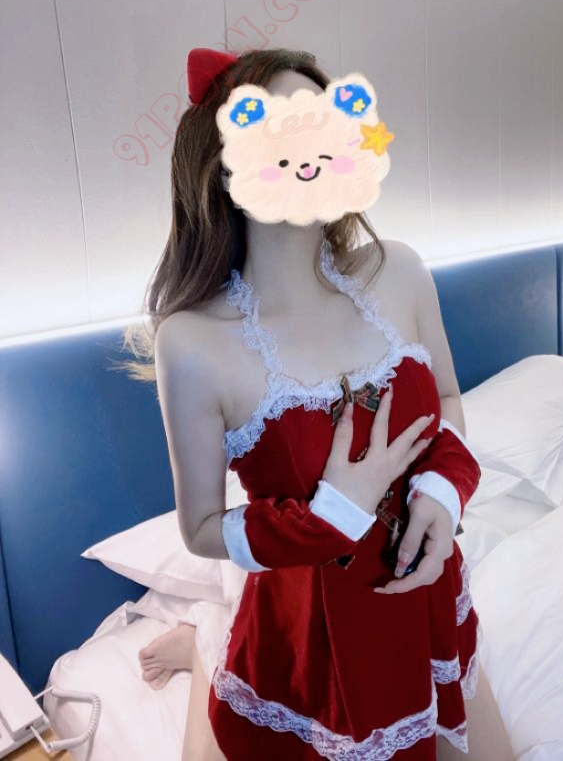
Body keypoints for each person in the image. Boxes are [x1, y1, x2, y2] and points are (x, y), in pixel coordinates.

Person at [123, 46, 515, 760]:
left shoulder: (399, 271)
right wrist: (335, 510)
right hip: (312, 635)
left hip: (424, 593)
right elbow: (202, 529)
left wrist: (442, 492)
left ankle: (205, 637)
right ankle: (206, 643)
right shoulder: (194, 341)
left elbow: (448, 397)